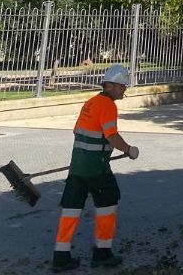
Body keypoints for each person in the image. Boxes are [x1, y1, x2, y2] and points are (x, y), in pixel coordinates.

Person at [52, 64, 139, 271]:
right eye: (122, 86)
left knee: (71, 209)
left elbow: (77, 131)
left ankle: (61, 257)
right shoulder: (108, 105)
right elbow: (111, 135)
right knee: (108, 204)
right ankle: (102, 253)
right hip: (97, 168)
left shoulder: (90, 103)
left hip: (77, 167)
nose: (124, 89)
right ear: (110, 85)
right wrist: (129, 150)